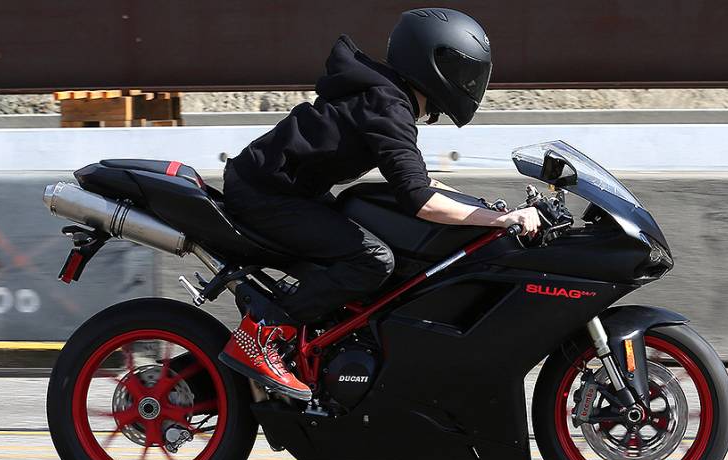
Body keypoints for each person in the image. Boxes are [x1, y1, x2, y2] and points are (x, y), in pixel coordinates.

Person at [219, 8, 541, 400]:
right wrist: (500, 219)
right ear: (435, 63)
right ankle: (261, 337)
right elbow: (420, 200)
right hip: (264, 195)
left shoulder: (386, 97)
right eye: (464, 71)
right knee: (372, 259)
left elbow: (414, 179)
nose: (469, 82)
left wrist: (483, 208)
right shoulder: (388, 106)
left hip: (283, 189)